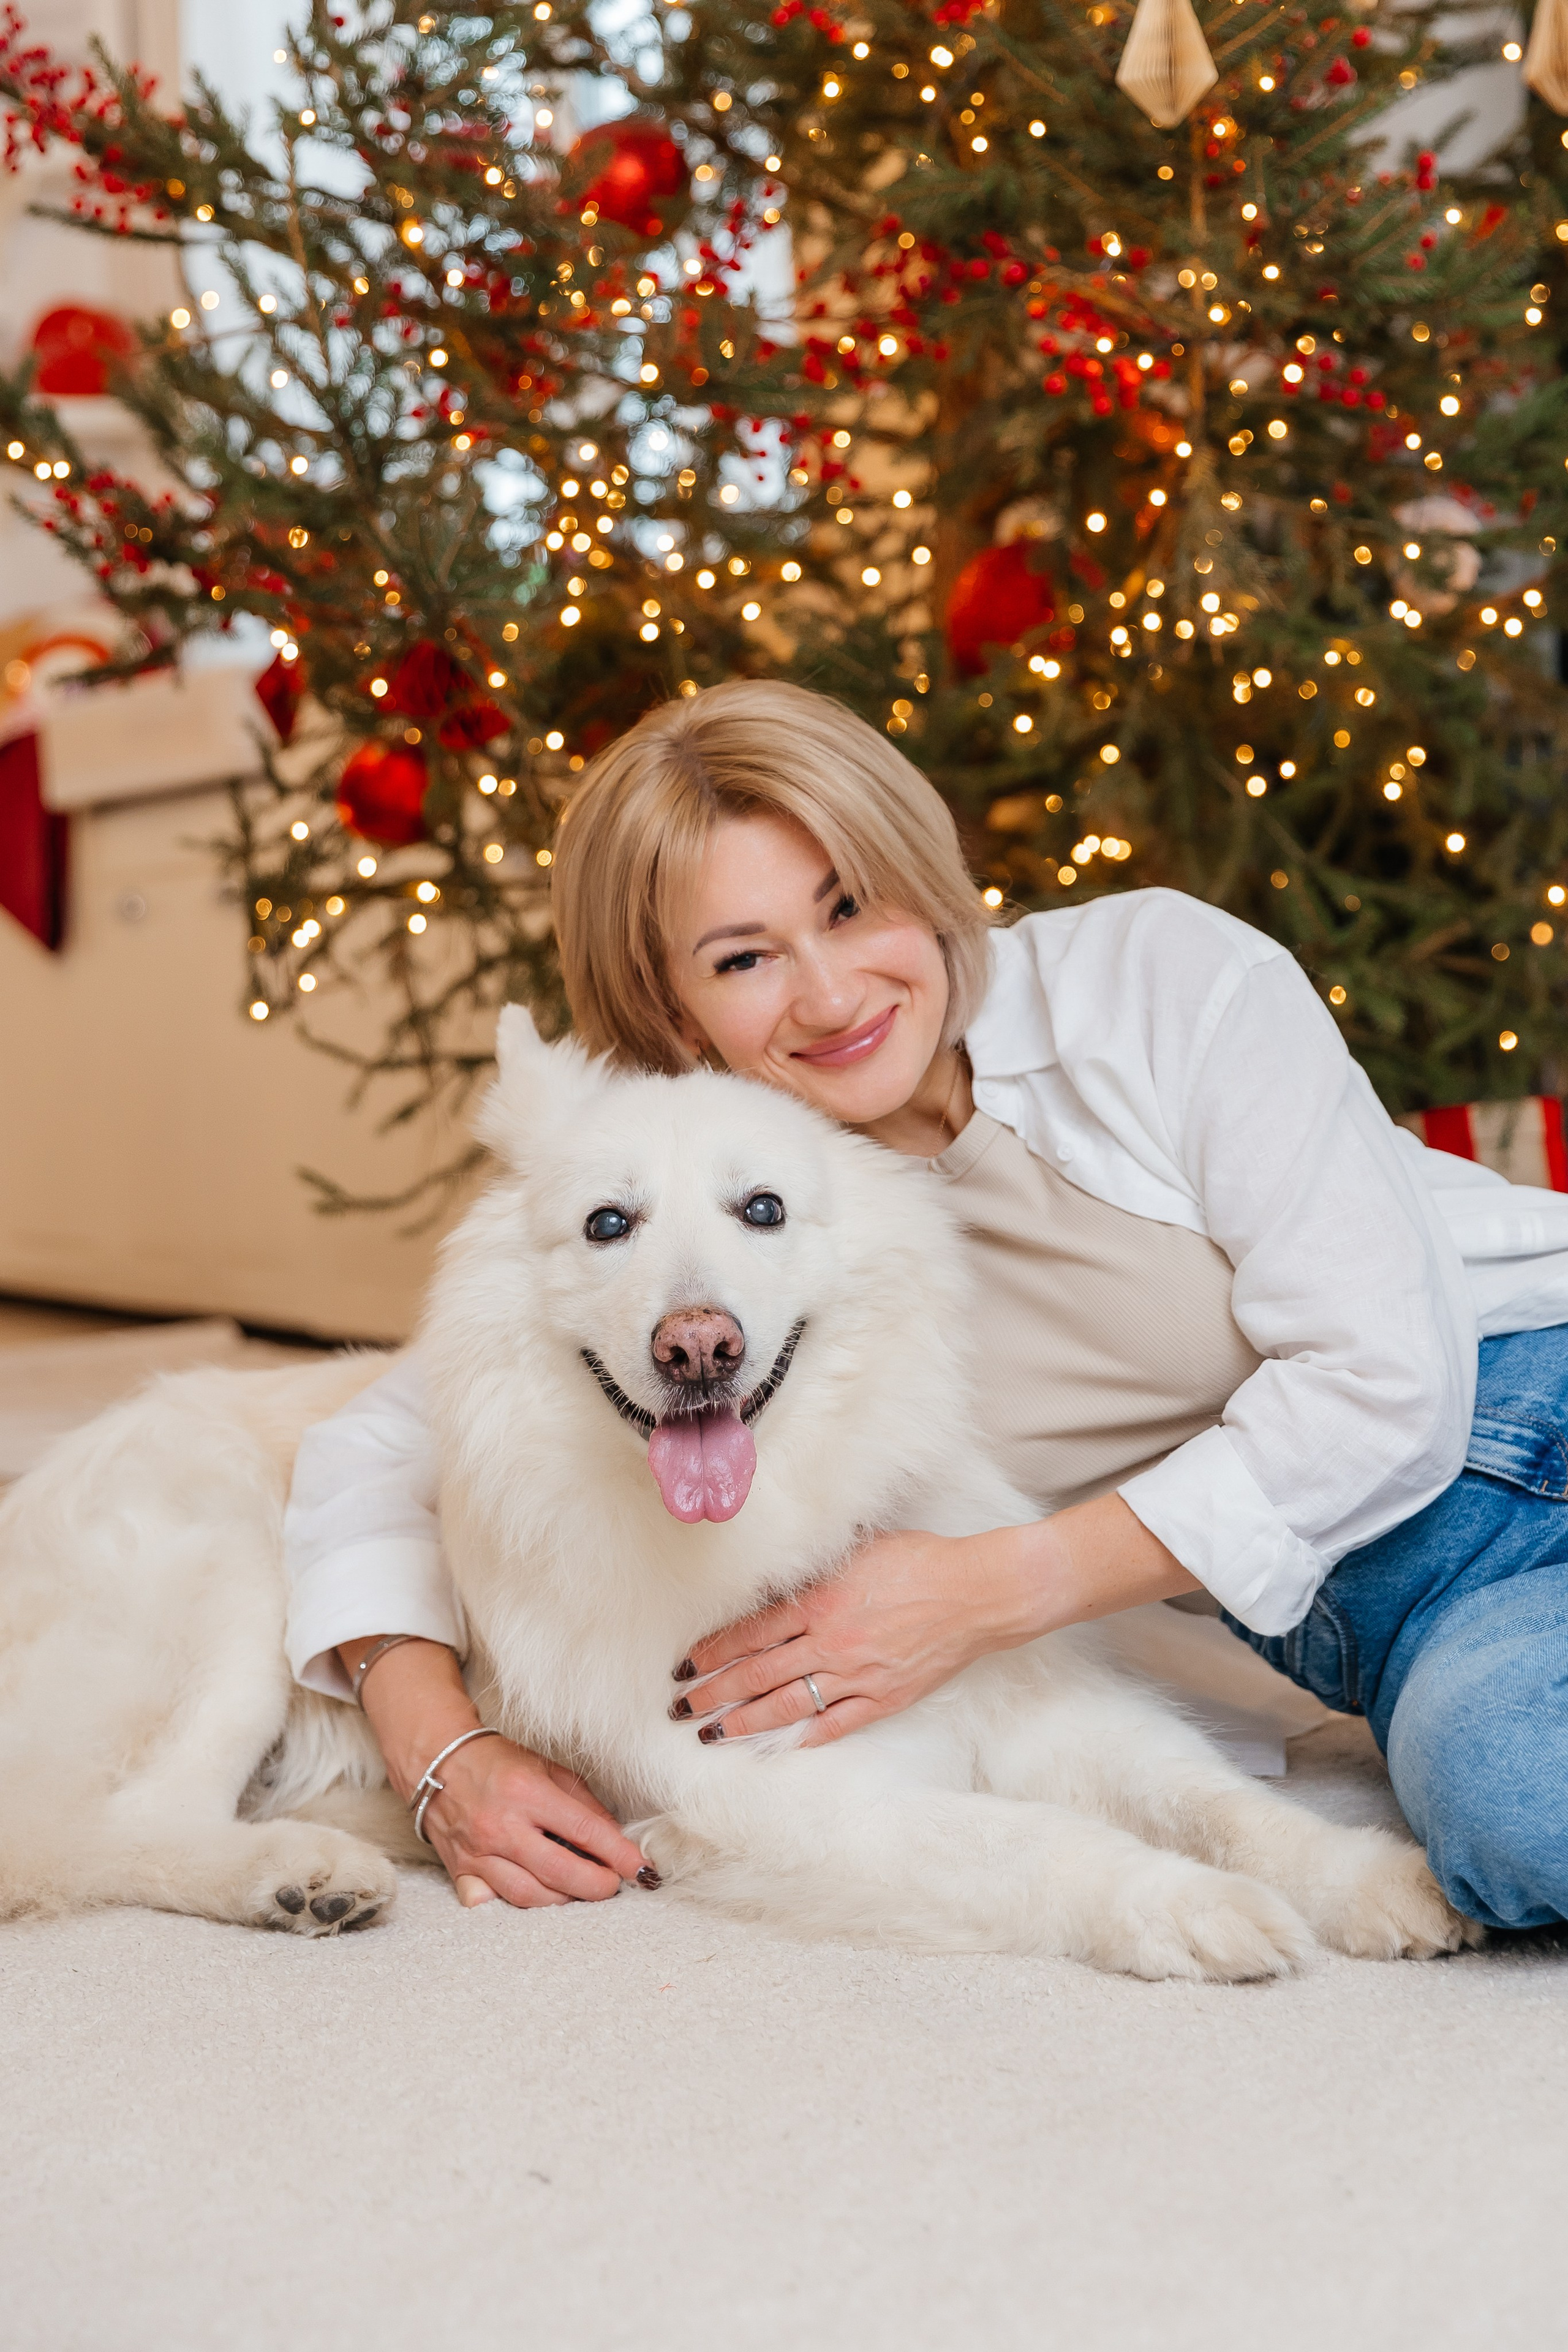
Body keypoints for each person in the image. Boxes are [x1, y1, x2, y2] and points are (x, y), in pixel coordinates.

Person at [285, 679, 1568, 1928]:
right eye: (744, 957)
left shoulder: (1159, 976)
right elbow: (386, 1441)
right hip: (1404, 1608)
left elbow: (1387, 1382)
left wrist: (987, 1588)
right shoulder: (715, 1185)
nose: (832, 994)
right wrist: (440, 1748)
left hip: (1521, 1403)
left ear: (921, 865)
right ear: (671, 1006)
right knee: (1516, 1812)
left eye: (852, 906)